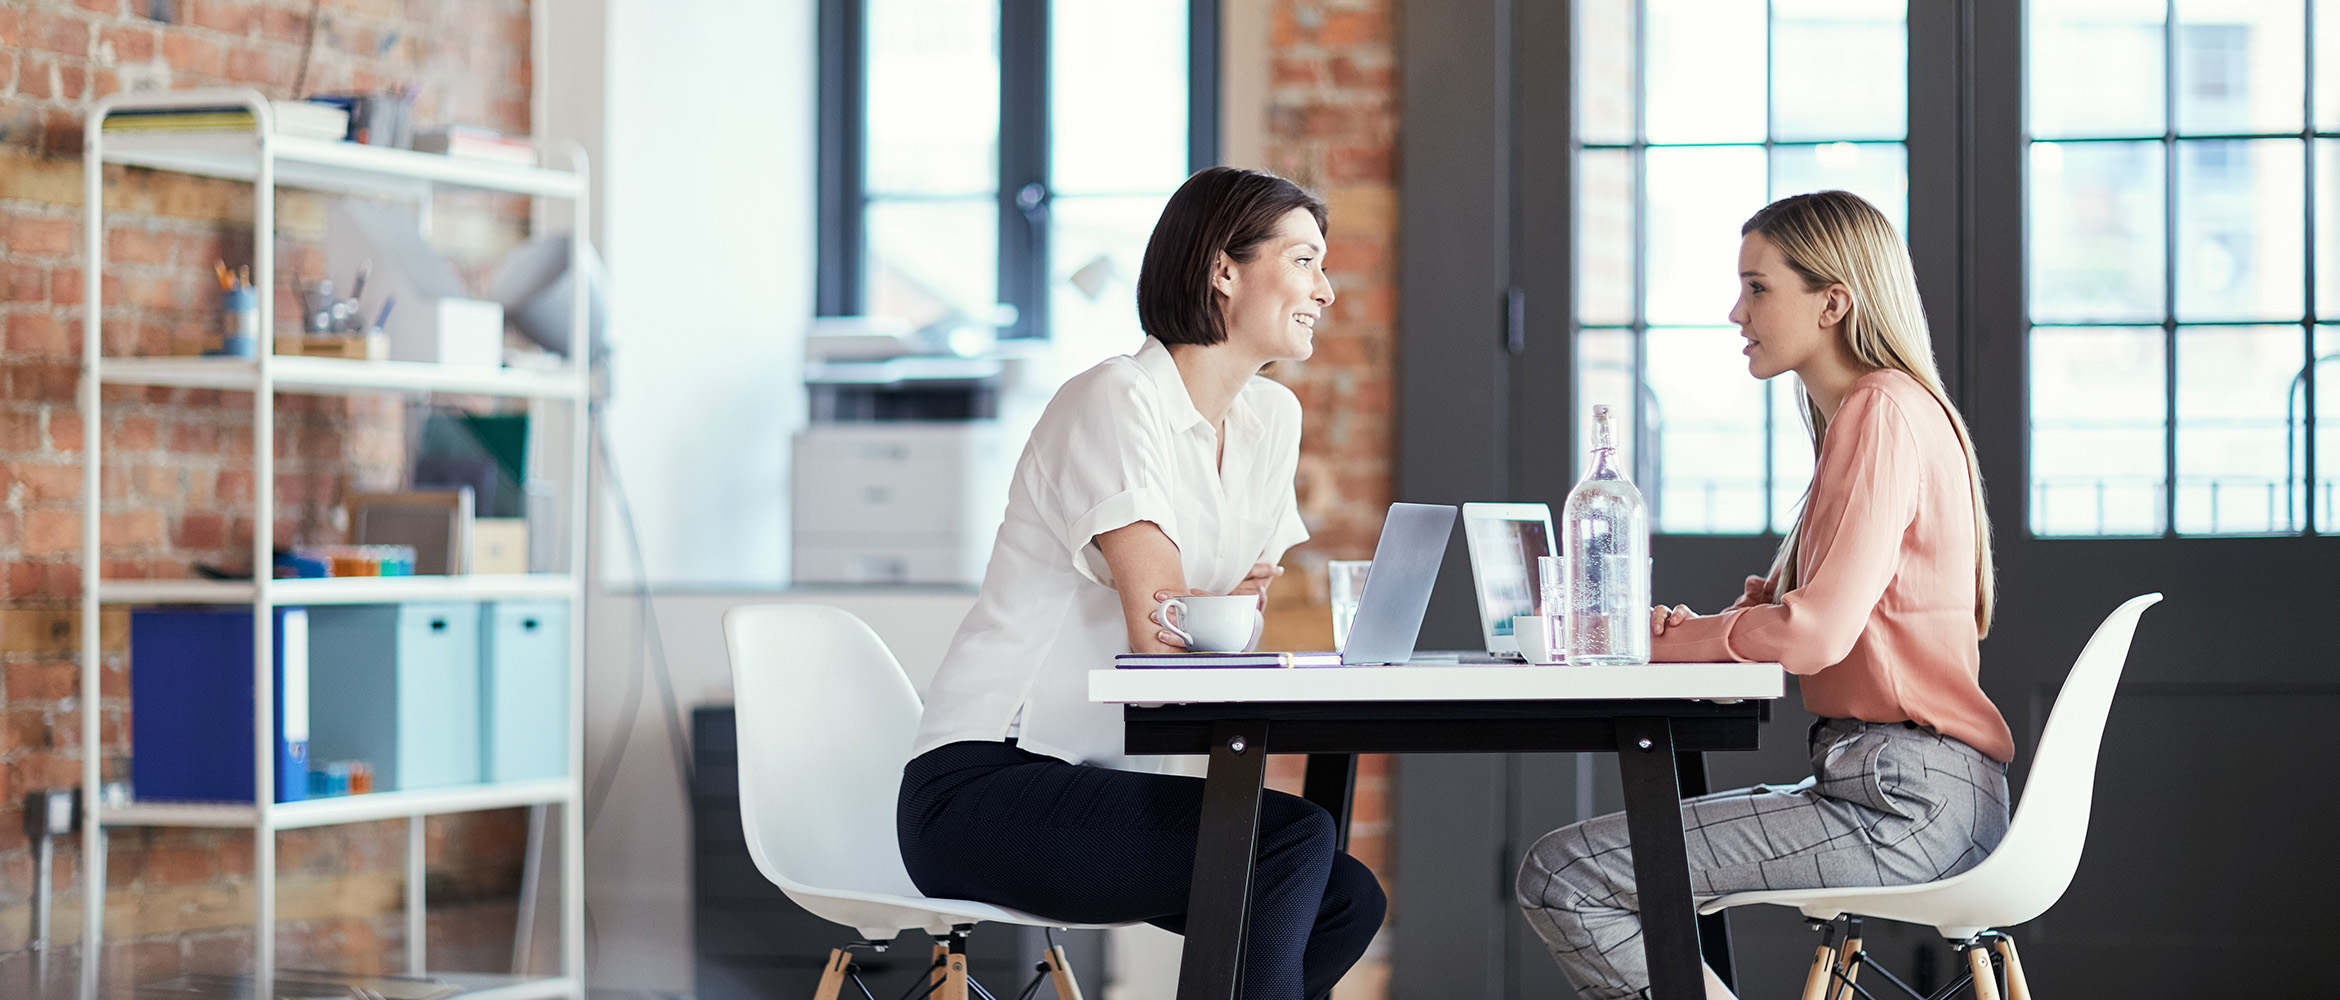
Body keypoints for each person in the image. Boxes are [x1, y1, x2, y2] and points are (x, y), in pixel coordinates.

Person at [898, 166, 1384, 1000]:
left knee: (1344, 897)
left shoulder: (1272, 419)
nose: (1326, 291)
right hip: (985, 784)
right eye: (1304, 260)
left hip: (1101, 779)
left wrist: (1218, 610)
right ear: (1223, 269)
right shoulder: (1114, 400)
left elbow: (1239, 618)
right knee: (1292, 843)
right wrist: (1215, 608)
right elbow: (1164, 635)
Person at [1515, 190, 2014, 1000]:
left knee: (1563, 875)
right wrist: (1698, 630)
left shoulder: (1881, 411)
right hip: (1912, 789)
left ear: (1833, 302)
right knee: (1585, 872)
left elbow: (1811, 635)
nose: (1735, 311)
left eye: (1758, 287)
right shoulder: (1880, 412)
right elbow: (1786, 614)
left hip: (1903, 801)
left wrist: (1656, 641)